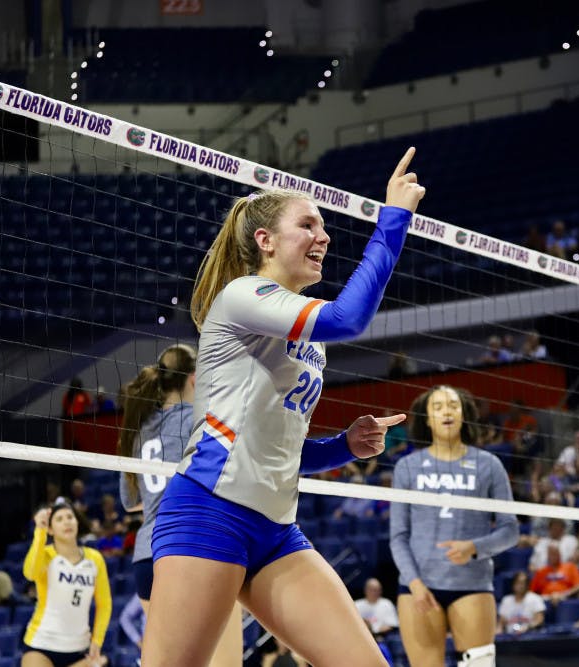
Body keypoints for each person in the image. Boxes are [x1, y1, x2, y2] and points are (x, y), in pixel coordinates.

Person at [142, 148, 426, 667]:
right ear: (265, 241)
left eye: (324, 227)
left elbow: (283, 450)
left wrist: (344, 445)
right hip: (210, 511)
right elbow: (349, 318)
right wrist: (394, 218)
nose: (324, 237)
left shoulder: (307, 339)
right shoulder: (243, 295)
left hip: (275, 530)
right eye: (309, 225)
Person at [117, 343, 243, 666]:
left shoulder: (139, 429)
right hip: (192, 550)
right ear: (194, 378)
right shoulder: (201, 421)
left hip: (147, 558)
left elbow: (129, 500)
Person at [391, 385, 519, 667]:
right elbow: (398, 536)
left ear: (464, 414)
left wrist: (475, 547)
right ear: (426, 418)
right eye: (437, 407)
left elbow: (511, 530)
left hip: (472, 584)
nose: (446, 411)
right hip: (418, 588)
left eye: (453, 405)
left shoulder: (489, 464)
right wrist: (414, 582)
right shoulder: (407, 467)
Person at [23, 502, 111, 667]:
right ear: (51, 529)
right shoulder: (46, 555)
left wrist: (97, 641)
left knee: (104, 661)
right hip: (41, 644)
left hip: (79, 647)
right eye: (60, 519)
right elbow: (30, 573)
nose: (67, 522)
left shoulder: (95, 559)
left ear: (77, 522)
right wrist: (40, 531)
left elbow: (104, 604)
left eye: (70, 517)